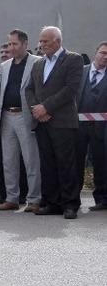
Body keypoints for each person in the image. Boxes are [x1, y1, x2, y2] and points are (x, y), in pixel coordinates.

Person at [24, 26, 85, 219]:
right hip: (42, 122)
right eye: (40, 41)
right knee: (47, 164)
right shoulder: (38, 64)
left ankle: (70, 204)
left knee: (66, 163)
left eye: (45, 41)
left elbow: (70, 89)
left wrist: (46, 108)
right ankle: (52, 202)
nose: (41, 45)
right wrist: (37, 109)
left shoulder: (73, 59)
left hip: (63, 122)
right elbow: (29, 89)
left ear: (57, 41)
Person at [0, 29, 41, 212]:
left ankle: (35, 199)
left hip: (26, 116)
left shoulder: (37, 63)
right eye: (9, 44)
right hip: (6, 116)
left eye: (15, 44)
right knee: (9, 160)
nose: (11, 47)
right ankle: (12, 198)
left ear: (25, 44)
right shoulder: (4, 66)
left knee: (31, 160)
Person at [76, 42, 107, 211]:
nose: (105, 56)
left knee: (101, 163)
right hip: (79, 125)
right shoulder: (81, 72)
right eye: (102, 52)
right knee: (76, 161)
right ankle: (73, 197)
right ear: (96, 53)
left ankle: (102, 199)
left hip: (102, 128)